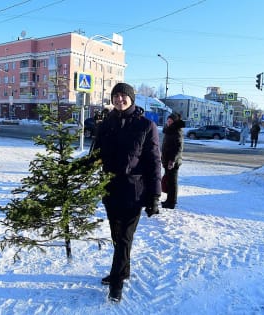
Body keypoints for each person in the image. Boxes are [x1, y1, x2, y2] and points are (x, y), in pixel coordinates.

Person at [91, 82, 161, 302]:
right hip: (110, 188)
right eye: (116, 96)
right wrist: (70, 170)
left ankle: (116, 281)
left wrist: (155, 197)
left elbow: (154, 162)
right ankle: (124, 270)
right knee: (116, 235)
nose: (119, 100)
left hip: (134, 191)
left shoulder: (146, 126)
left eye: (124, 96)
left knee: (123, 237)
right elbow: (95, 155)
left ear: (132, 99)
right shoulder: (106, 124)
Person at [161, 113, 183, 209]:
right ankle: (169, 200)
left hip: (172, 162)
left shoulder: (177, 132)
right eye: (168, 121)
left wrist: (172, 160)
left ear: (175, 122)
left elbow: (179, 148)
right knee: (169, 181)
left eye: (171, 121)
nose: (168, 122)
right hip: (167, 160)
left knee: (173, 182)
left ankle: (172, 202)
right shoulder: (169, 131)